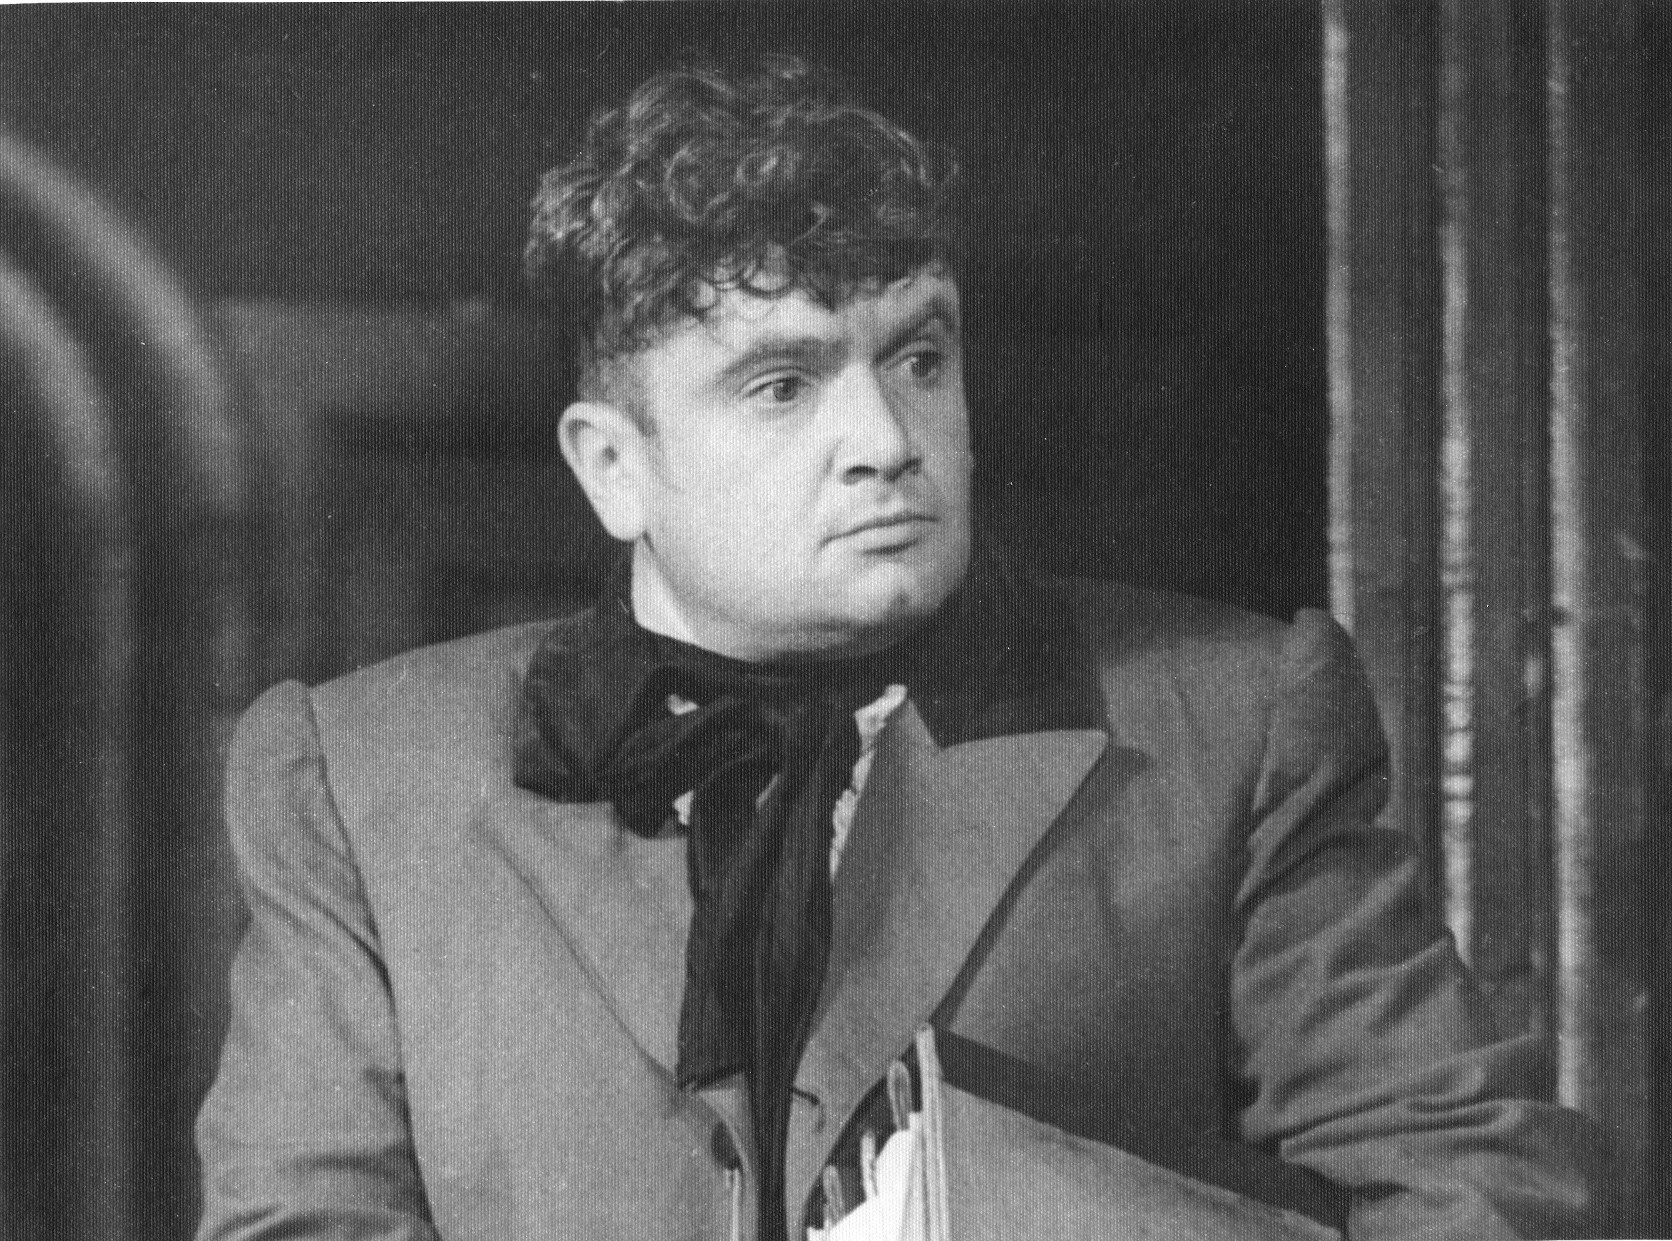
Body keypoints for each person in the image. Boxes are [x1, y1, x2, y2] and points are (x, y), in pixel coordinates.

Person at [194, 53, 1607, 1241]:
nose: (884, 439)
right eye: (782, 384)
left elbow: (1489, 1195)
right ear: (613, 466)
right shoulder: (357, 777)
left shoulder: (1238, 721)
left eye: (918, 359)